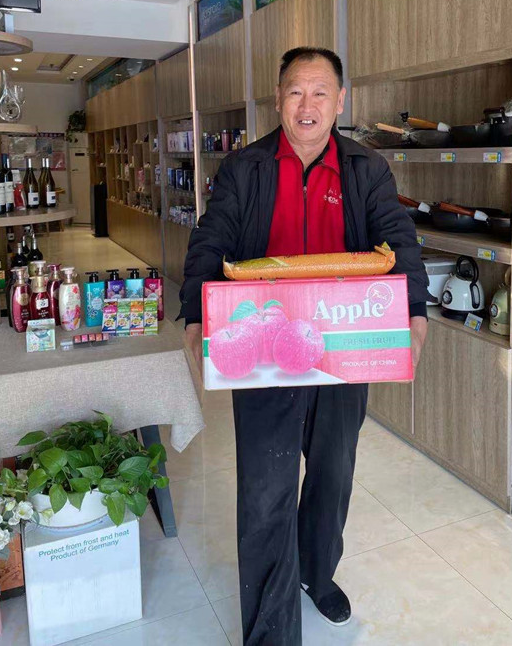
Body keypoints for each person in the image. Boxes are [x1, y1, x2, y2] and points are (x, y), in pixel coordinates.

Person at [180, 46, 428, 645]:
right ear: (279, 100)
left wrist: (414, 312)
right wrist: (194, 315)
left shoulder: (366, 168)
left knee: (332, 475)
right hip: (264, 348)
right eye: (296, 91)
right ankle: (271, 631)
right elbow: (211, 239)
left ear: (340, 101)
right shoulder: (245, 168)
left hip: (342, 347)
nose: (307, 104)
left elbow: (399, 239)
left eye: (320, 92)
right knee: (266, 486)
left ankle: (317, 572)